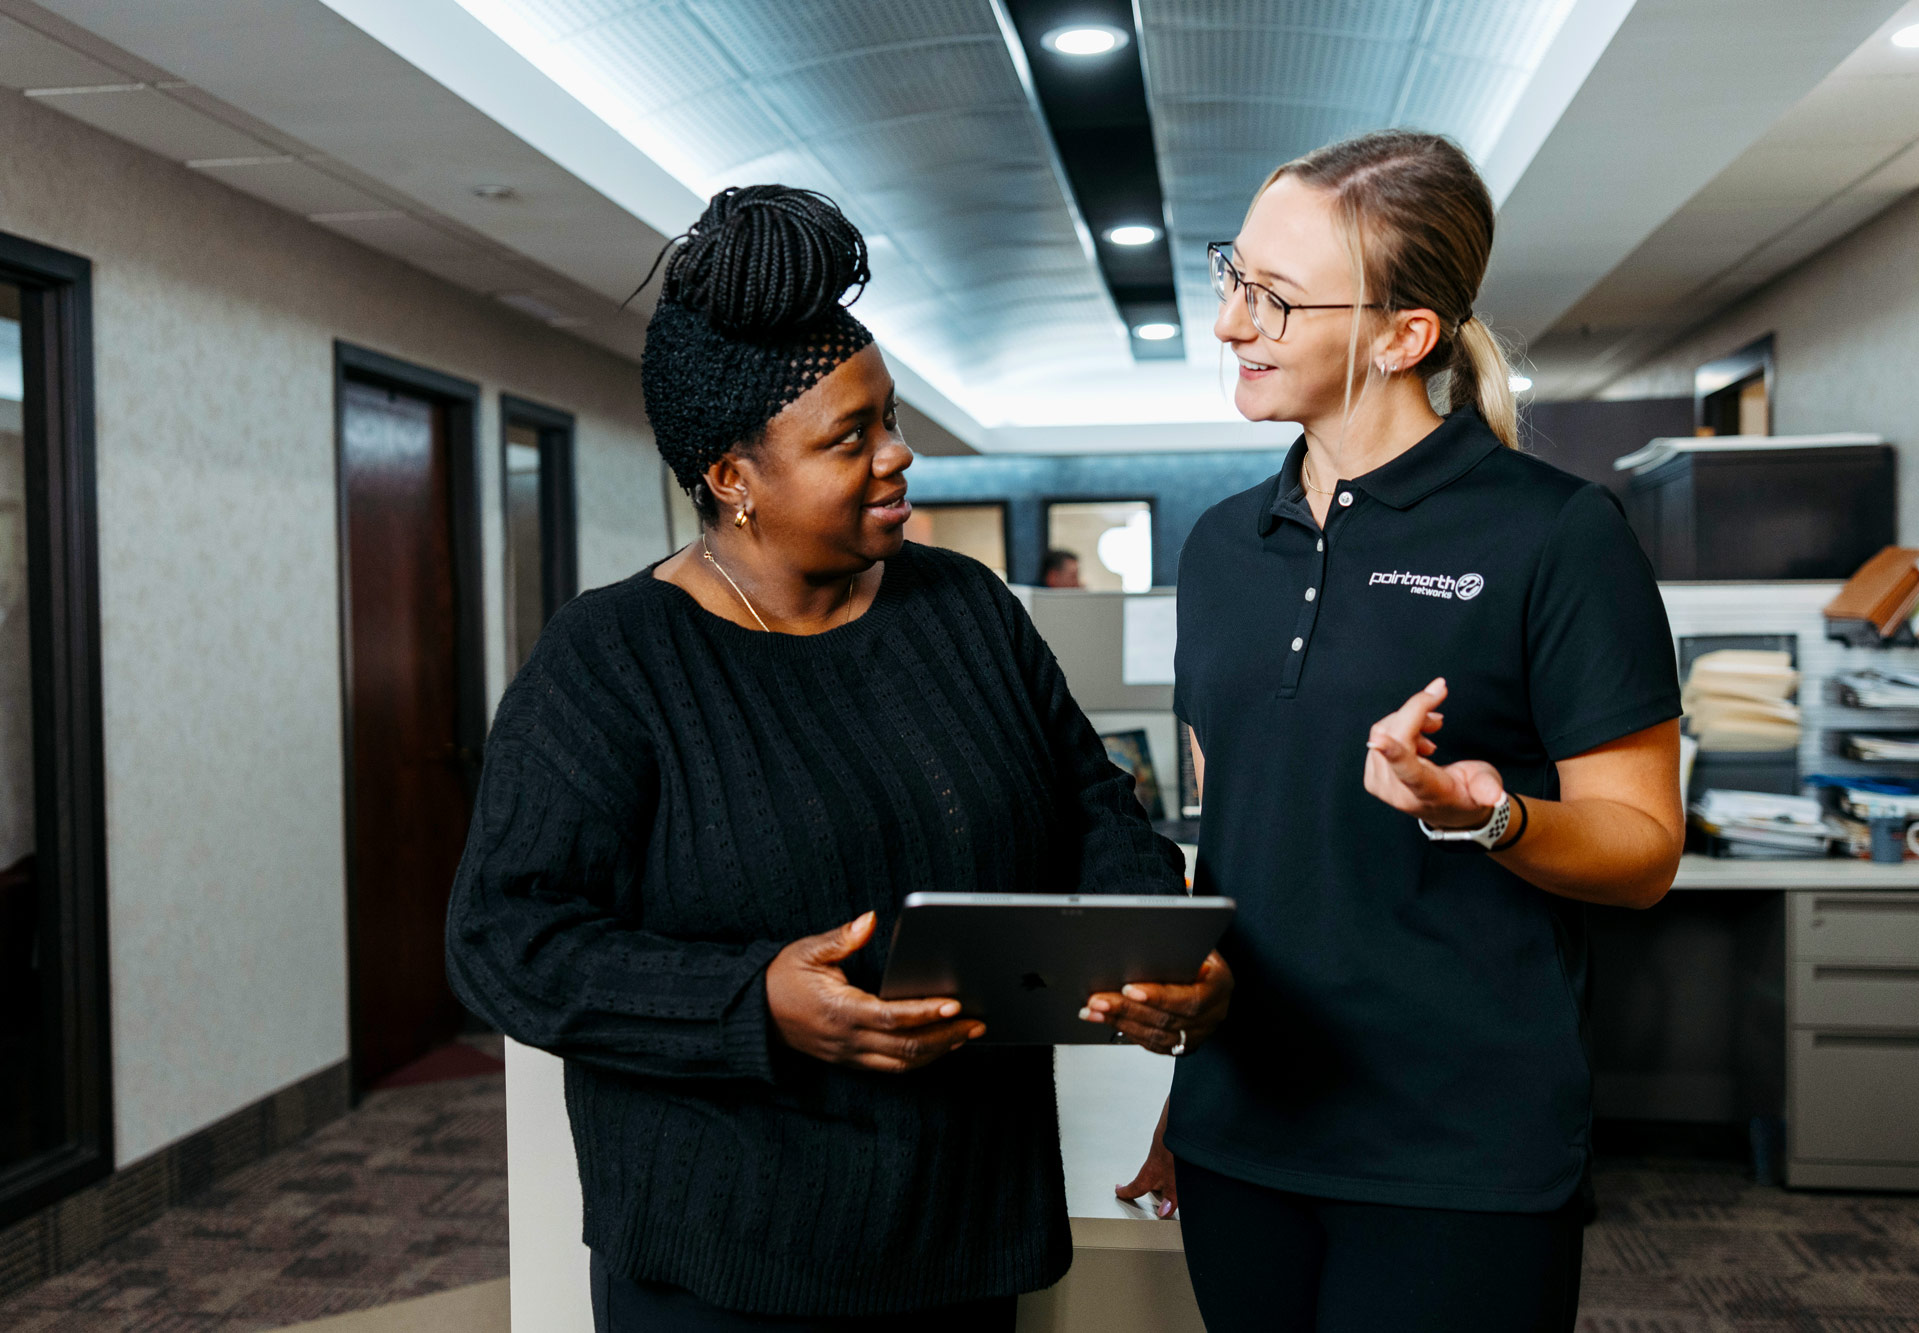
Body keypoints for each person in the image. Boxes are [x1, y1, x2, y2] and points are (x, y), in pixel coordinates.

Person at [443, 184, 1232, 1332]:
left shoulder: (959, 607)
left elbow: (1088, 803)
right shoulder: (612, 658)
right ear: (732, 478)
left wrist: (1143, 938)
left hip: (960, 1232)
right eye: (848, 438)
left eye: (891, 416)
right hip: (725, 1257)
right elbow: (504, 938)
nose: (898, 456)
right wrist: (753, 999)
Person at [1107, 131, 1684, 1331]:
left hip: (1458, 1152)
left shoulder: (1555, 535)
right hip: (1244, 1134)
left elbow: (1641, 850)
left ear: (1400, 335)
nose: (1229, 322)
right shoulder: (1220, 548)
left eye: (1272, 297)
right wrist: (1185, 1094)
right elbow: (1245, 845)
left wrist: (1489, 815)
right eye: (1232, 276)